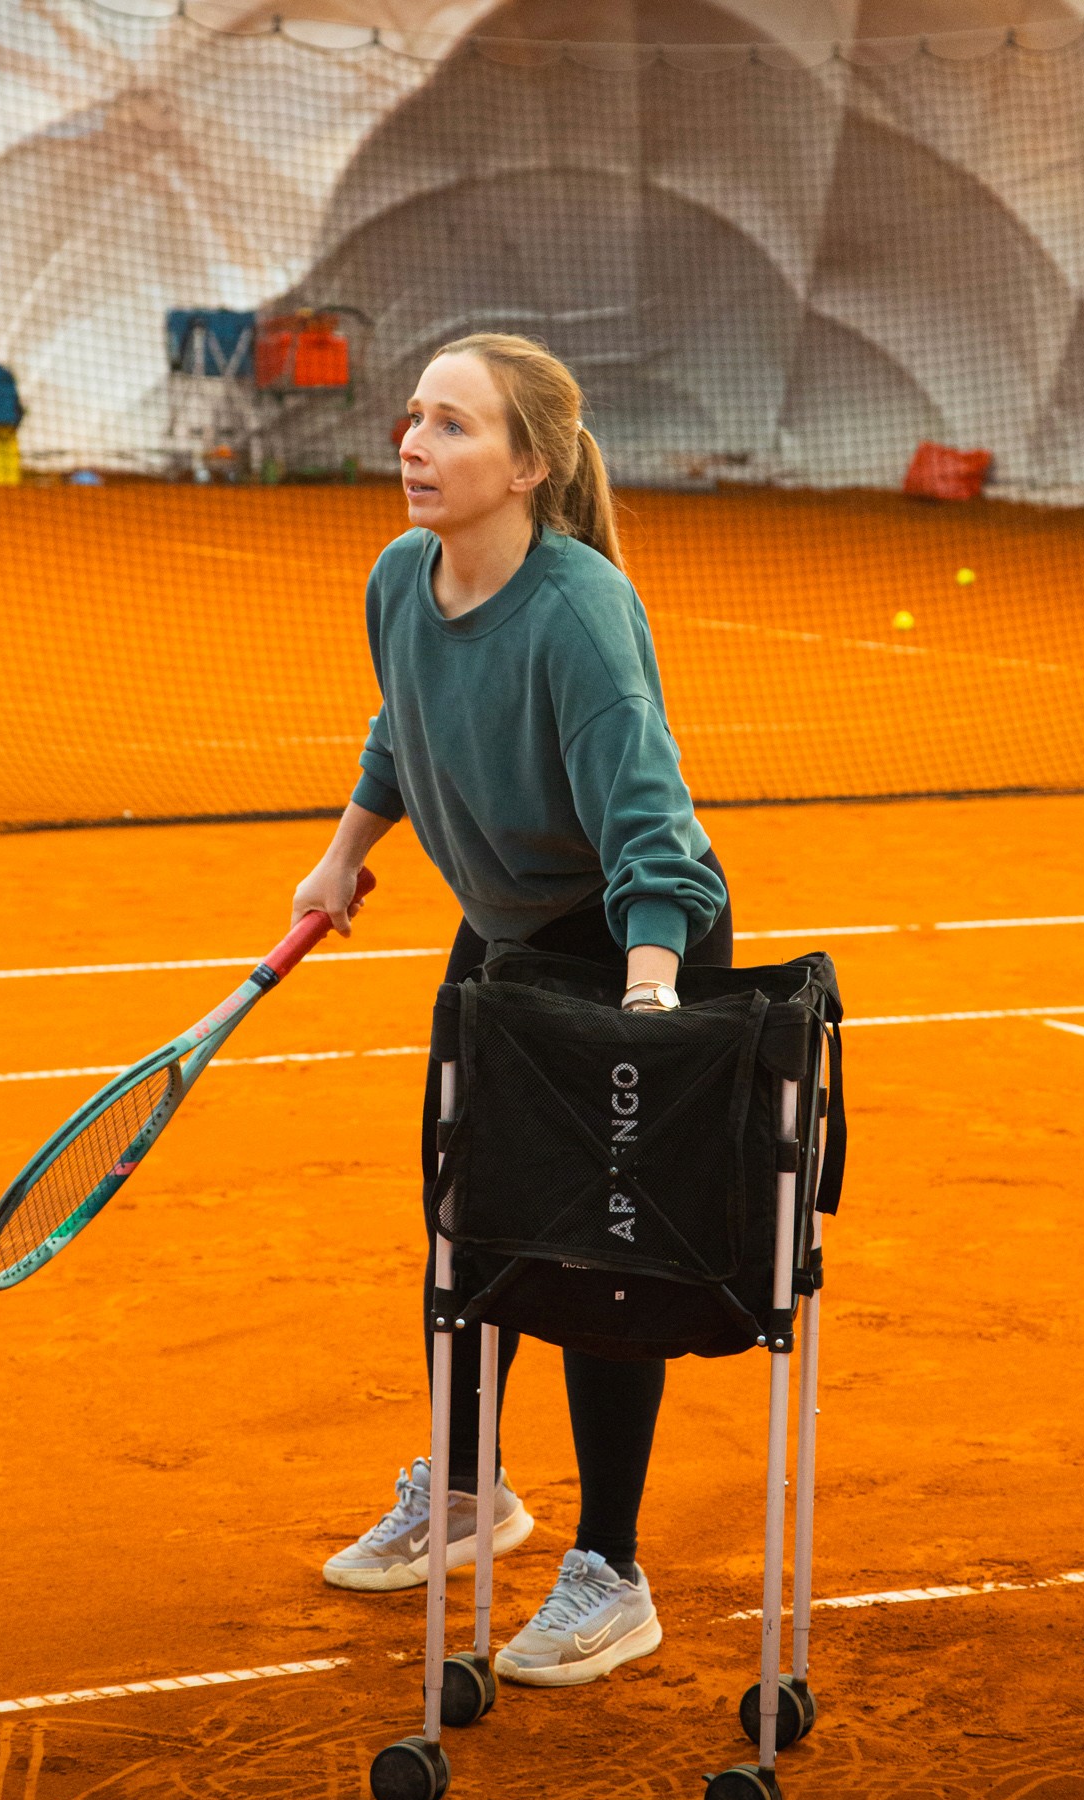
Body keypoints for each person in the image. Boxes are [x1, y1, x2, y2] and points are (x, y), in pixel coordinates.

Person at [291, 333, 732, 1687]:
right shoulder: (398, 579)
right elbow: (400, 722)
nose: (413, 443)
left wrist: (647, 994)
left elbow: (648, 824)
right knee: (466, 1218)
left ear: (529, 464)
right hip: (504, 938)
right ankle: (472, 1494)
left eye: (454, 426)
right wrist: (346, 846)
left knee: (603, 1265)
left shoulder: (580, 609)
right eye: (413, 418)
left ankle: (612, 1568)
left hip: (626, 940)